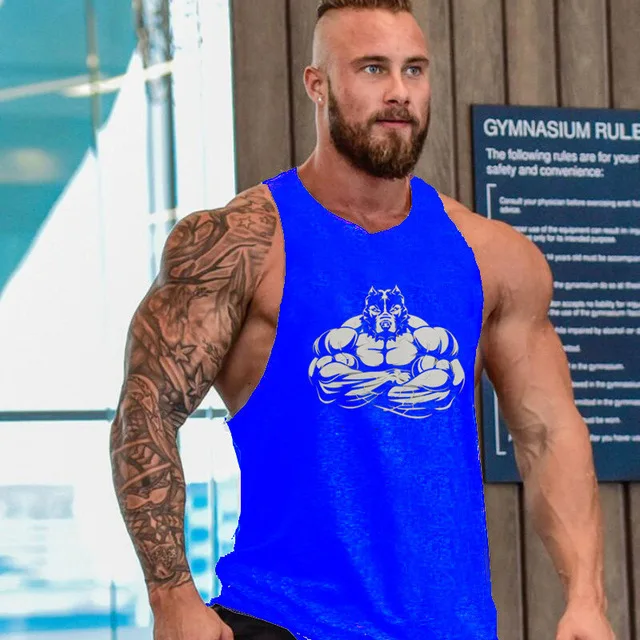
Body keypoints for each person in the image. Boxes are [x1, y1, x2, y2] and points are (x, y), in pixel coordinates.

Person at [109, 1, 614, 639]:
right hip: (284, 620)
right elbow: (145, 411)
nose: (399, 91)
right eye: (373, 69)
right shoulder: (239, 245)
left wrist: (586, 597)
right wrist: (171, 596)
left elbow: (548, 433)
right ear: (317, 84)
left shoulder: (491, 256)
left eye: (414, 70)